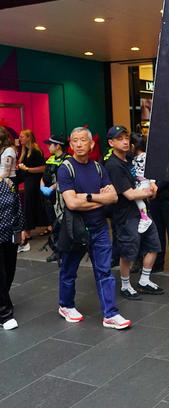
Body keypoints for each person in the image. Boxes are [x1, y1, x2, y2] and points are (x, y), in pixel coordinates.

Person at [57, 126, 131, 329]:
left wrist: (87, 197)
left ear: (91, 144)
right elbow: (72, 204)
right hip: (76, 229)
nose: (79, 144)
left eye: (83, 140)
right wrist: (101, 199)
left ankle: (110, 314)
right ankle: (66, 305)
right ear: (71, 145)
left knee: (105, 271)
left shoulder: (99, 168)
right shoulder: (66, 169)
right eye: (75, 141)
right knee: (69, 270)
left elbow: (114, 197)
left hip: (99, 228)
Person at [104, 125, 164, 300]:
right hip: (126, 215)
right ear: (111, 143)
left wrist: (151, 184)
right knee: (128, 252)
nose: (125, 141)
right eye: (120, 139)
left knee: (154, 245)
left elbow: (142, 178)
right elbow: (129, 194)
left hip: (142, 212)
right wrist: (149, 192)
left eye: (126, 138)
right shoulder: (113, 165)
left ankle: (144, 280)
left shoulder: (130, 158)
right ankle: (125, 285)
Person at [0, 177, 25, 330]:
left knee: (9, 271)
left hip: (9, 234)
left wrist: (21, 228)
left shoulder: (7, 183)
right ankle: (4, 314)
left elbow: (17, 207)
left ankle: (3, 299)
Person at [40, 134, 69, 262]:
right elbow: (43, 176)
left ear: (58, 146)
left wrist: (51, 188)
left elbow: (64, 179)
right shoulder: (50, 159)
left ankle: (64, 251)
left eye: (50, 144)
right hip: (48, 197)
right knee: (53, 223)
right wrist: (42, 187)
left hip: (60, 198)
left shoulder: (67, 160)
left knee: (61, 224)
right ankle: (56, 251)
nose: (48, 146)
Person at [16, 129, 46, 252]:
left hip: (34, 181)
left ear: (29, 138)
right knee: (34, 205)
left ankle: (27, 231)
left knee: (29, 205)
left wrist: (27, 169)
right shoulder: (24, 151)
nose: (20, 138)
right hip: (28, 180)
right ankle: (46, 226)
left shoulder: (36, 151)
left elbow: (43, 168)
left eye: (22, 136)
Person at [129, 132, 154, 233]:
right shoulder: (134, 158)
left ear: (133, 146)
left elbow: (152, 170)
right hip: (139, 182)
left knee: (136, 198)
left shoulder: (145, 157)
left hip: (145, 182)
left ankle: (145, 218)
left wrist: (152, 182)